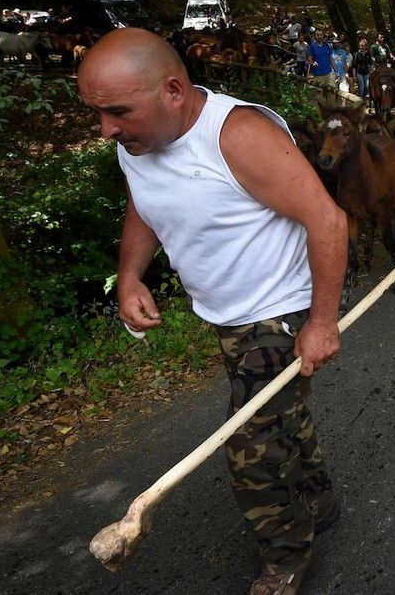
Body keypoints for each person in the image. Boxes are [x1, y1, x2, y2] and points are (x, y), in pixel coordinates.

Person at [77, 29, 348, 595]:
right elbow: (143, 206)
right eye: (97, 114)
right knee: (280, 415)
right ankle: (318, 499)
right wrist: (129, 277)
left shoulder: (238, 137)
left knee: (250, 448)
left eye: (118, 112)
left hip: (277, 314)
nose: (106, 130)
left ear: (174, 90)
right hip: (226, 317)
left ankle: (286, 557)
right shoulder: (138, 144)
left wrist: (321, 322)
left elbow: (329, 220)